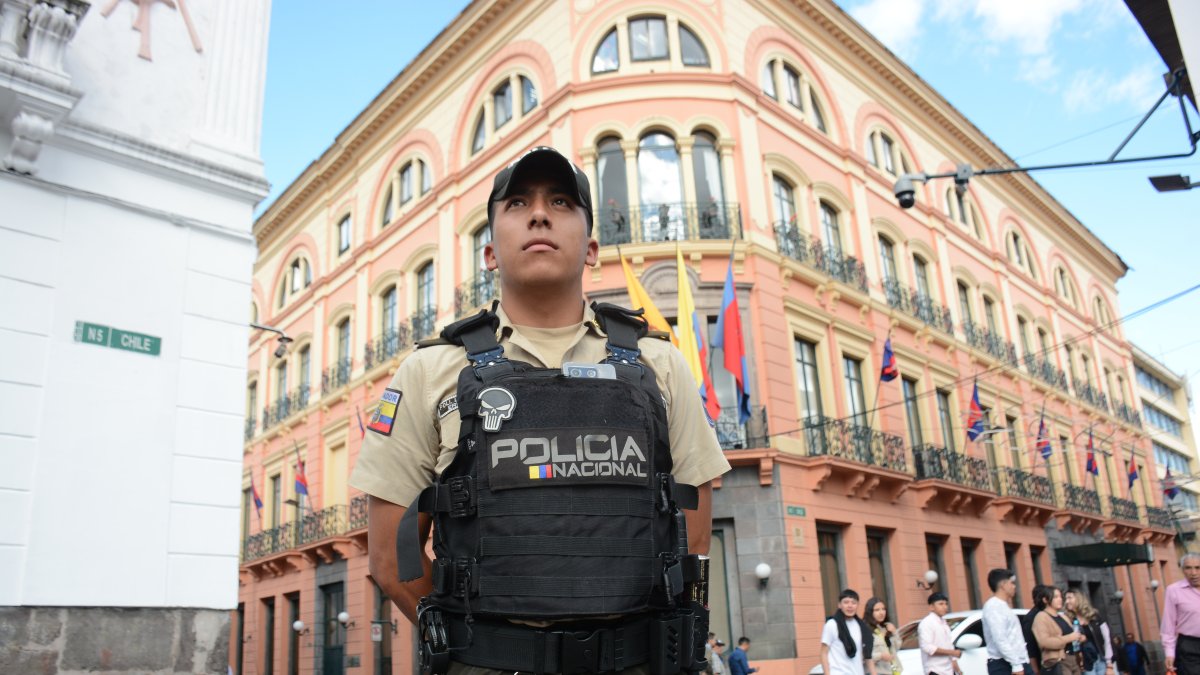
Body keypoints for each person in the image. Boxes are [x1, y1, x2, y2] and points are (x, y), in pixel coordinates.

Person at [350, 146, 731, 674]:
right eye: (517, 204)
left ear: (592, 247)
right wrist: (473, 645)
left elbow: (690, 538)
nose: (538, 214)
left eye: (560, 201)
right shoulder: (429, 372)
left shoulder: (659, 365)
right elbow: (392, 564)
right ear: (489, 253)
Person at [983, 569, 1033, 675]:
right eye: (1011, 583)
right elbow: (1000, 639)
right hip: (1005, 664)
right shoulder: (994, 607)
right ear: (1003, 585)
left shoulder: (1002, 605)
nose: (1014, 586)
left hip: (1017, 661)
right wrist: (1016, 665)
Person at [821, 590, 877, 675]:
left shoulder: (862, 627)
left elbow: (867, 655)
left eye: (853, 603)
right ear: (839, 605)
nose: (850, 606)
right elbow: (823, 653)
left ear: (857, 605)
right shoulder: (832, 624)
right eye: (846, 602)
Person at [1031, 585, 1082, 675]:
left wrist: (1079, 637)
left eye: (1060, 597)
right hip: (1057, 661)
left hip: (1073, 659)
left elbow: (1073, 635)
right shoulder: (1041, 617)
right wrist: (1068, 638)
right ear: (1045, 600)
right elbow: (1044, 642)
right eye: (1055, 597)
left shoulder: (1063, 617)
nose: (1060, 599)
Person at [1162, 553, 1200, 675]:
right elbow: (1168, 625)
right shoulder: (1173, 590)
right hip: (1189, 647)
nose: (1193, 573)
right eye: (1188, 568)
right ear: (1182, 570)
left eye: (1198, 568)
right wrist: (1169, 653)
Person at [918, 592, 961, 675]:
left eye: (946, 604)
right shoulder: (927, 623)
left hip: (949, 670)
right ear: (931, 607)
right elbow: (927, 647)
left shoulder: (944, 623)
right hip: (935, 670)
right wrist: (952, 652)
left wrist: (958, 671)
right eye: (941, 604)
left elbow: (950, 647)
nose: (945, 607)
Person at [864, 597, 901, 675]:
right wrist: (880, 656)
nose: (881, 613)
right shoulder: (865, 630)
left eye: (883, 609)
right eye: (877, 610)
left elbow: (896, 648)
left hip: (891, 671)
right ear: (870, 612)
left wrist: (894, 633)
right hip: (875, 672)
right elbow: (863, 656)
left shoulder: (885, 627)